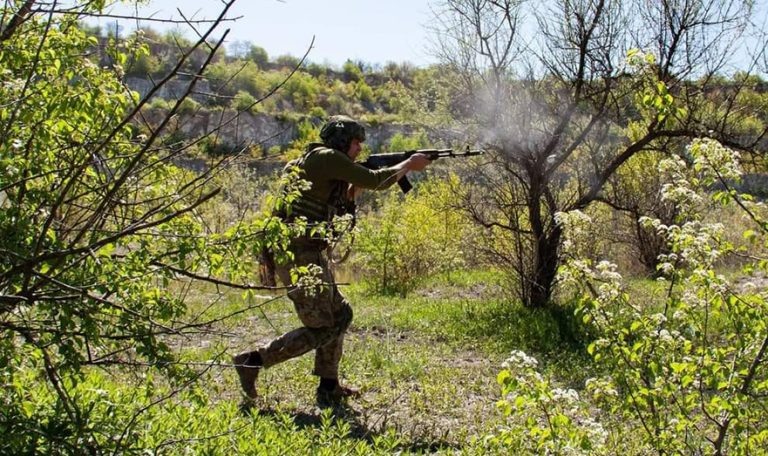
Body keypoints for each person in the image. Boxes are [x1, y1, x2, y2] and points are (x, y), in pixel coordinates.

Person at [233, 115, 430, 405]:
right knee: (323, 326)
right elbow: (378, 180)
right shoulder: (327, 157)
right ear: (341, 141)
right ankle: (253, 360)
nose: (359, 150)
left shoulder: (311, 160)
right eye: (355, 143)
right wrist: (409, 165)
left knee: (341, 315)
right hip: (300, 253)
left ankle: (329, 386)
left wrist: (353, 189)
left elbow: (335, 207)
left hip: (304, 250)